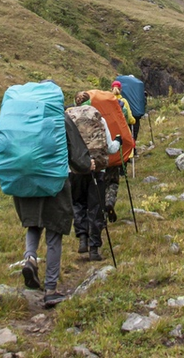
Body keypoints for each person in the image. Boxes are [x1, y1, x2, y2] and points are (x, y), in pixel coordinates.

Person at [16, 102, 94, 308]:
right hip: (54, 181)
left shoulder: (24, 116)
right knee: (54, 232)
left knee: (33, 223)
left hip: (27, 178)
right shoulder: (60, 118)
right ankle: (51, 290)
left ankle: (30, 258)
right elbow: (74, 150)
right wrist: (87, 166)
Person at [69, 91, 119, 262]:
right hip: (97, 170)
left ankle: (82, 238)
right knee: (95, 208)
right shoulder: (99, 118)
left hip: (74, 170)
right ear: (90, 103)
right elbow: (111, 148)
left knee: (78, 204)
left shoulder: (68, 119)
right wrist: (119, 141)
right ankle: (94, 249)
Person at [102, 84, 135, 223]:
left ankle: (101, 213)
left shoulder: (94, 112)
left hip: (96, 156)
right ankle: (110, 201)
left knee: (99, 183)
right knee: (113, 181)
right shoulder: (120, 103)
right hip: (113, 152)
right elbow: (128, 119)